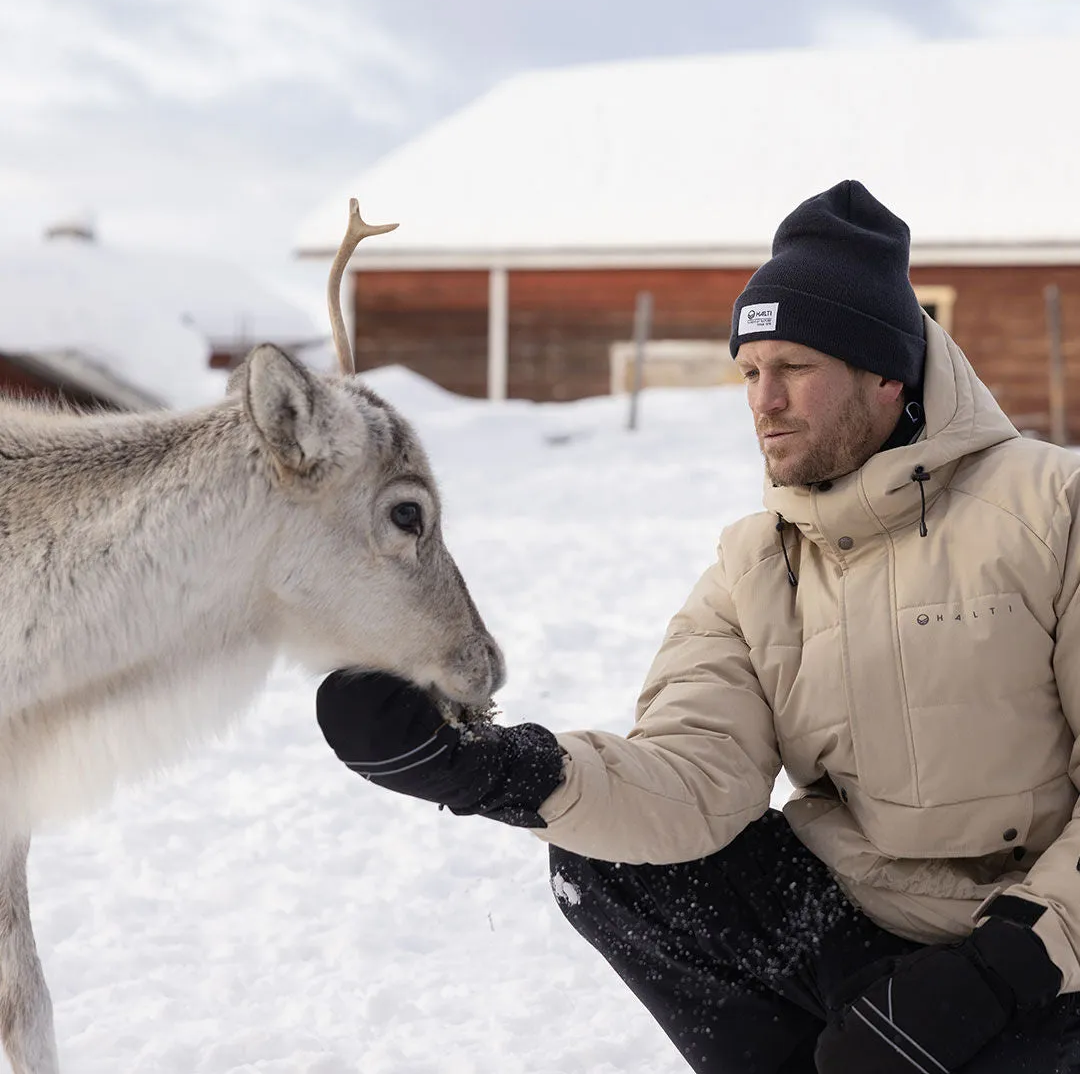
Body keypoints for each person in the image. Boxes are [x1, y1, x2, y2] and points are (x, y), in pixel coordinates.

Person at [315, 180, 1080, 1073]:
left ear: (885, 372)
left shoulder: (1050, 511)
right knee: (604, 860)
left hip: (1040, 955)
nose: (765, 401)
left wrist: (998, 973)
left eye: (795, 367)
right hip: (860, 935)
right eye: (751, 371)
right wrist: (487, 769)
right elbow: (691, 781)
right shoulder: (755, 565)